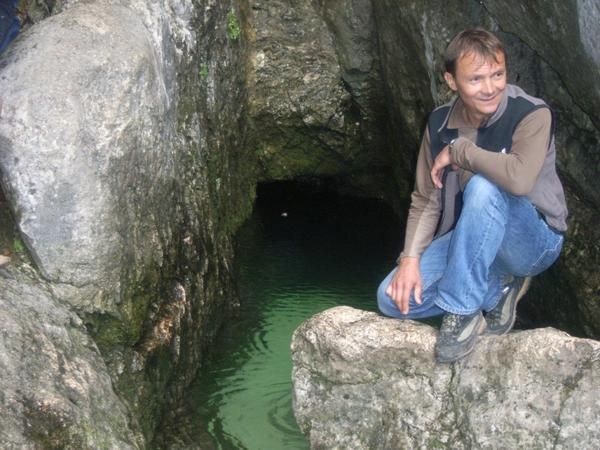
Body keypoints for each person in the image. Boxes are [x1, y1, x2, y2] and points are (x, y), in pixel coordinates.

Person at [377, 28, 567, 363]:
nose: (490, 87)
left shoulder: (532, 113)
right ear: (451, 81)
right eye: (476, 79)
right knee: (392, 299)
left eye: (498, 74)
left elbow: (520, 179)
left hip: (534, 240)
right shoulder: (439, 123)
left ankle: (463, 310)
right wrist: (409, 260)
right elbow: (426, 199)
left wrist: (460, 151)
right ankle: (497, 292)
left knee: (483, 186)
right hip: (473, 238)